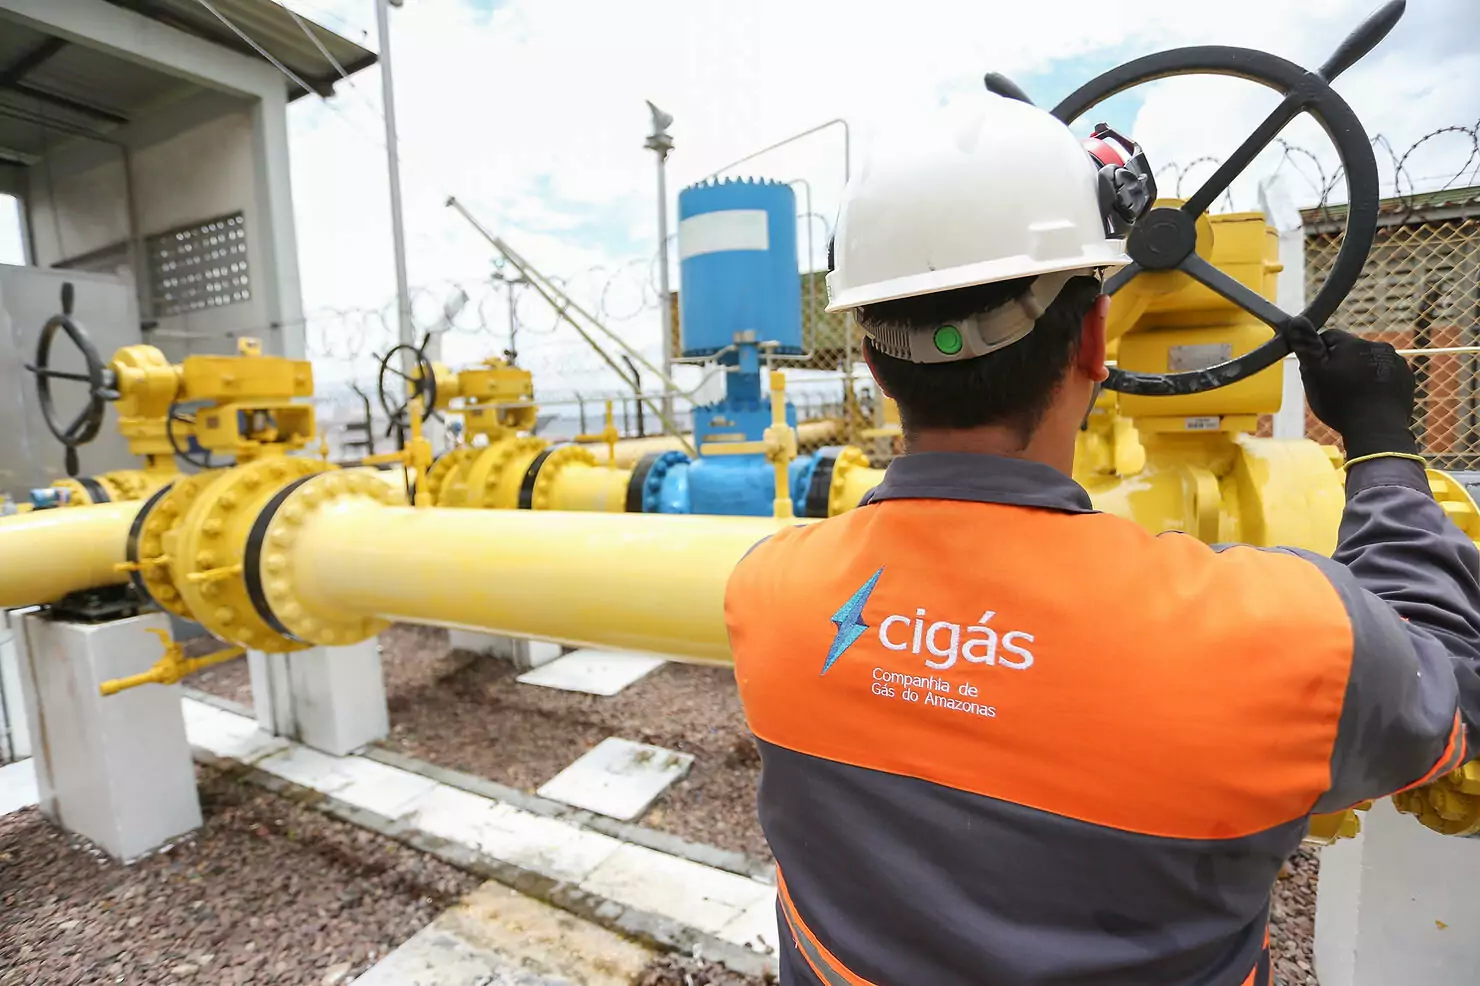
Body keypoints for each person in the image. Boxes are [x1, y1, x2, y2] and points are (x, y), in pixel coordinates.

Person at [722, 92, 1480, 986]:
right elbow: (1451, 677)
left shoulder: (766, 593)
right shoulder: (1285, 638)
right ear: (1093, 337)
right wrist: (1383, 445)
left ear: (874, 364)